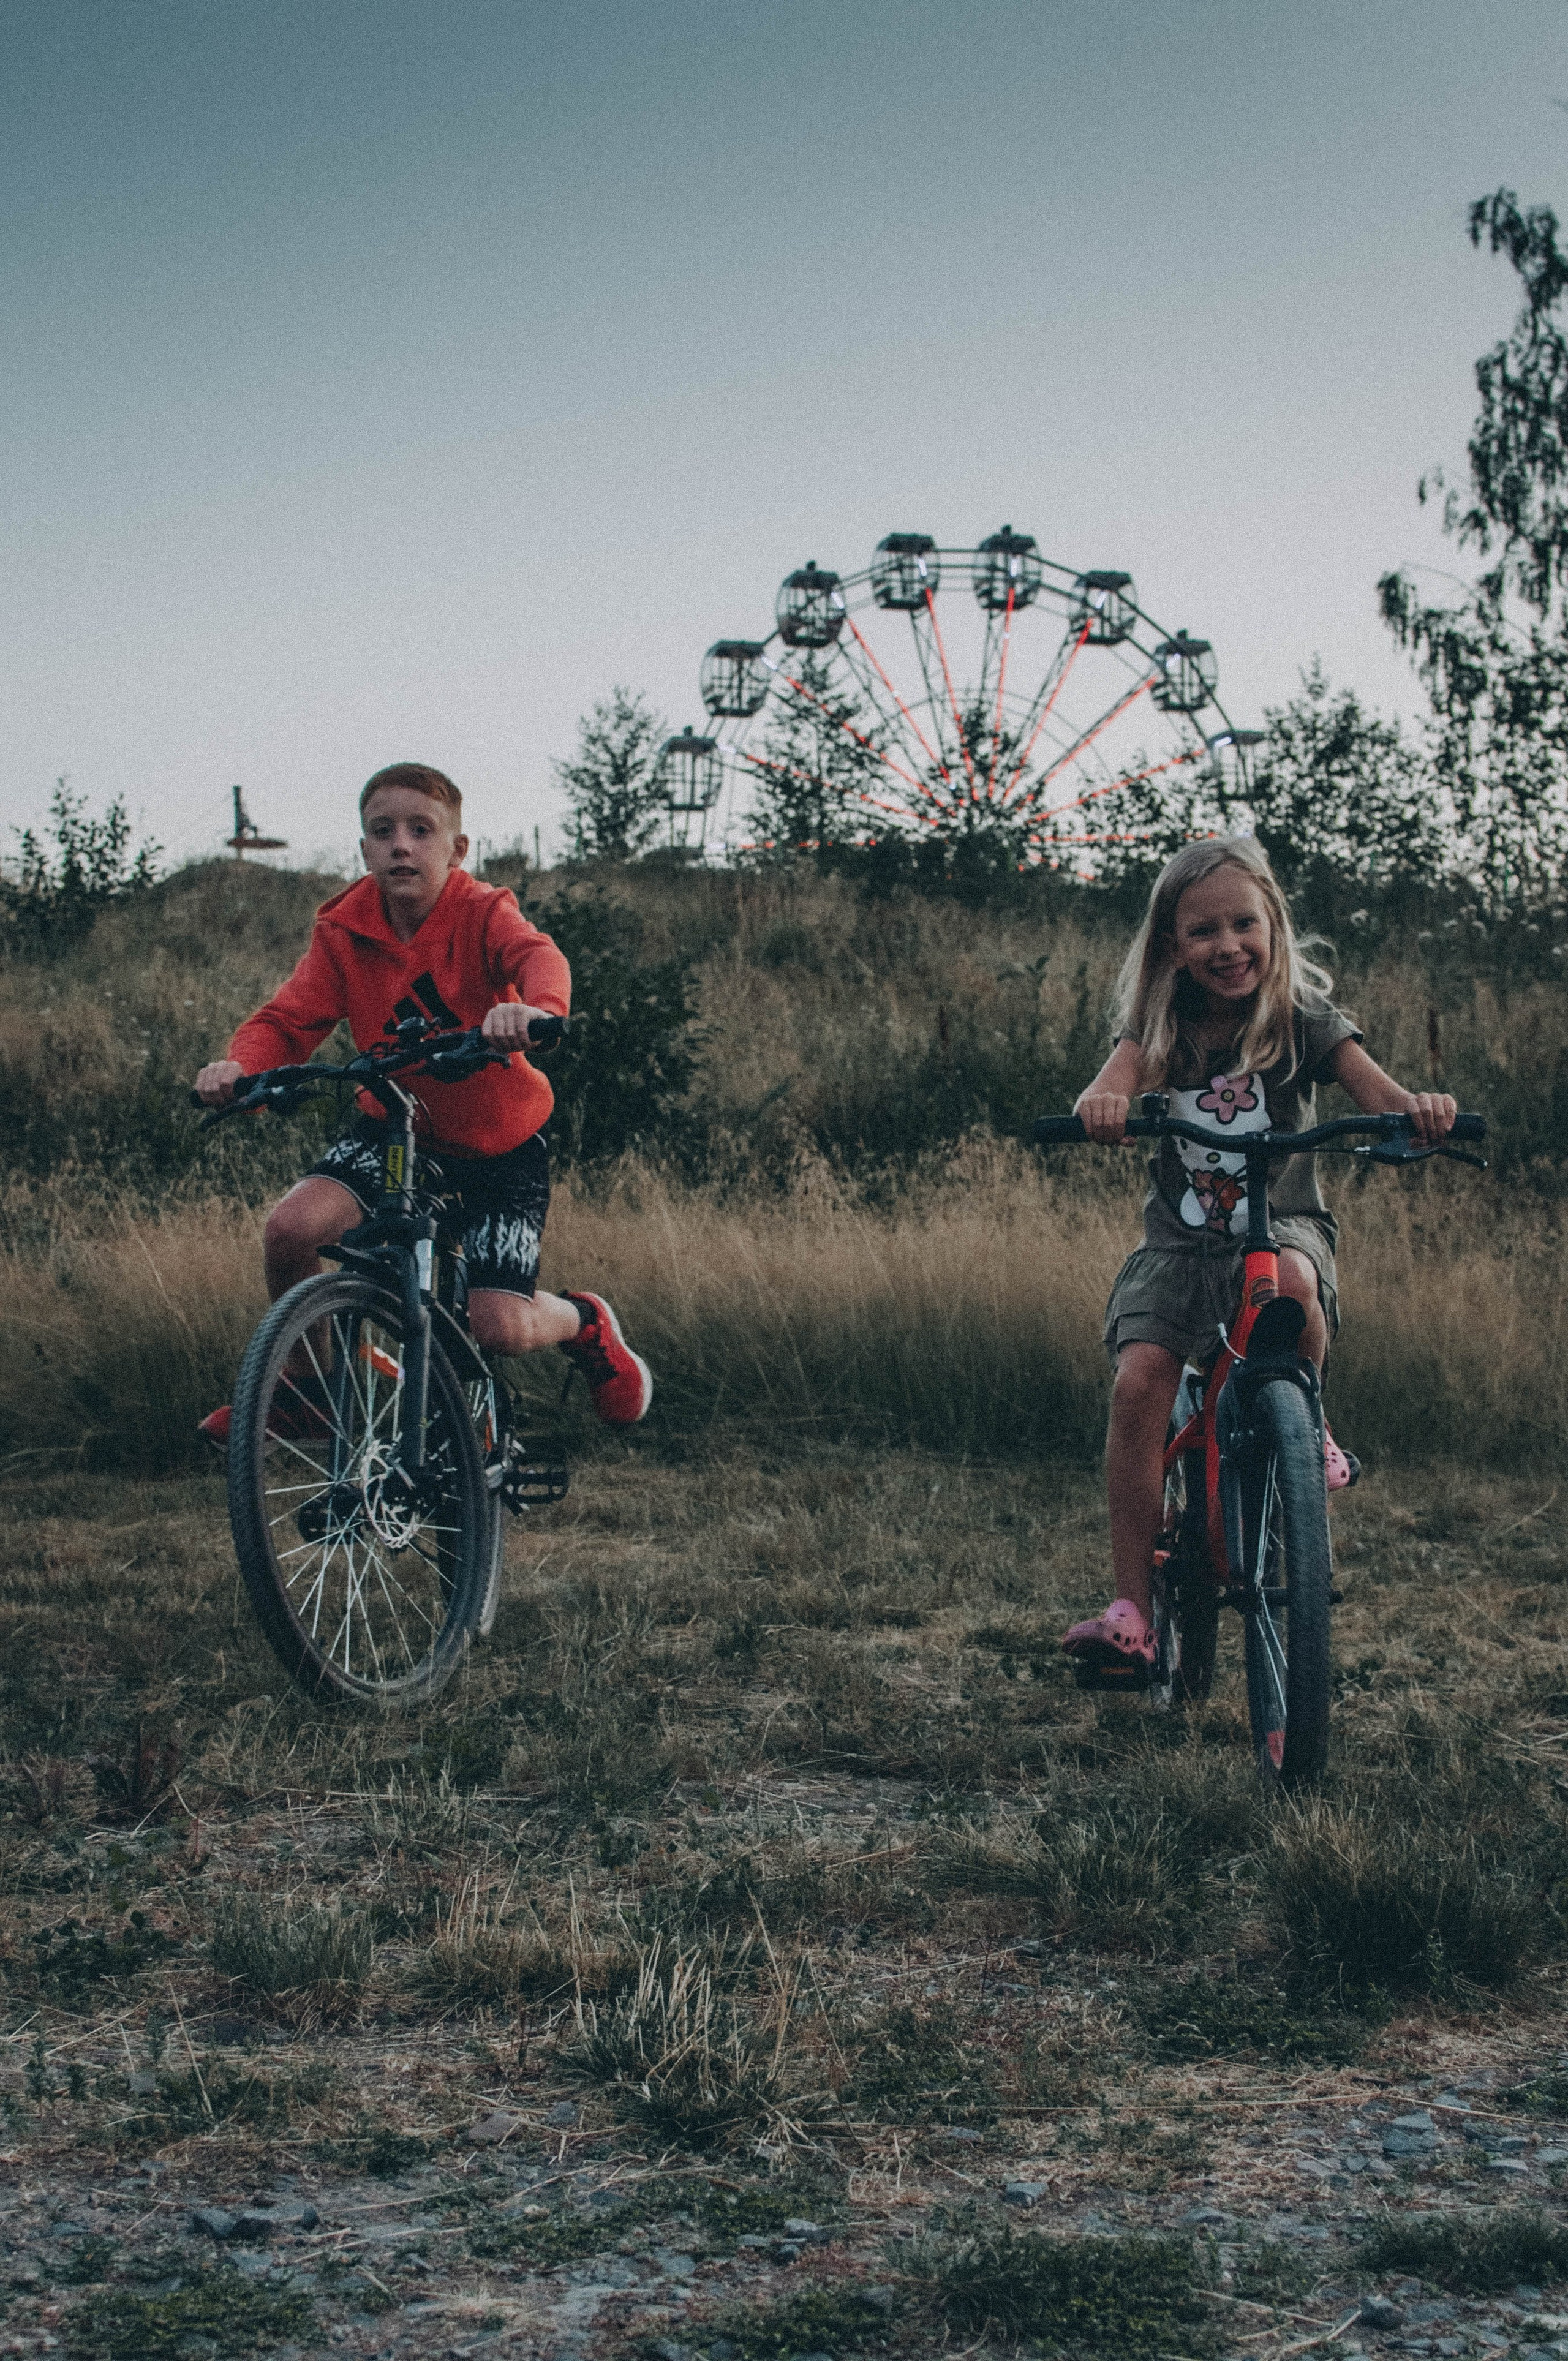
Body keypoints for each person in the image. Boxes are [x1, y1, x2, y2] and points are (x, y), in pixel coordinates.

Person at [1060, 836, 1453, 1674]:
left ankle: (1306, 1424)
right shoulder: (1163, 1027)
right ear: (1173, 947)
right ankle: (1132, 1610)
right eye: (1203, 931)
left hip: (1282, 1230)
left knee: (1294, 1284)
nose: (1228, 945)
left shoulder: (1300, 1019)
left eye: (1244, 924)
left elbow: (1378, 1093)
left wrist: (1415, 1111)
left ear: (1273, 924)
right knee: (1138, 1382)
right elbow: (1112, 1083)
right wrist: (1102, 1105)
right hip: (1180, 1247)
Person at [194, 761, 651, 1442]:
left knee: (499, 1326)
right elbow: (287, 1021)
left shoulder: (482, 912)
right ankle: (313, 1392)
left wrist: (534, 1009)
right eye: (383, 832)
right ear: (364, 850)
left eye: (420, 830)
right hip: (396, 1129)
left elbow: (537, 956)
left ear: (456, 849)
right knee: (291, 1231)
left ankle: (586, 1323)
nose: (401, 846)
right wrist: (243, 1071)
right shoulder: (344, 930)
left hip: (500, 1148)